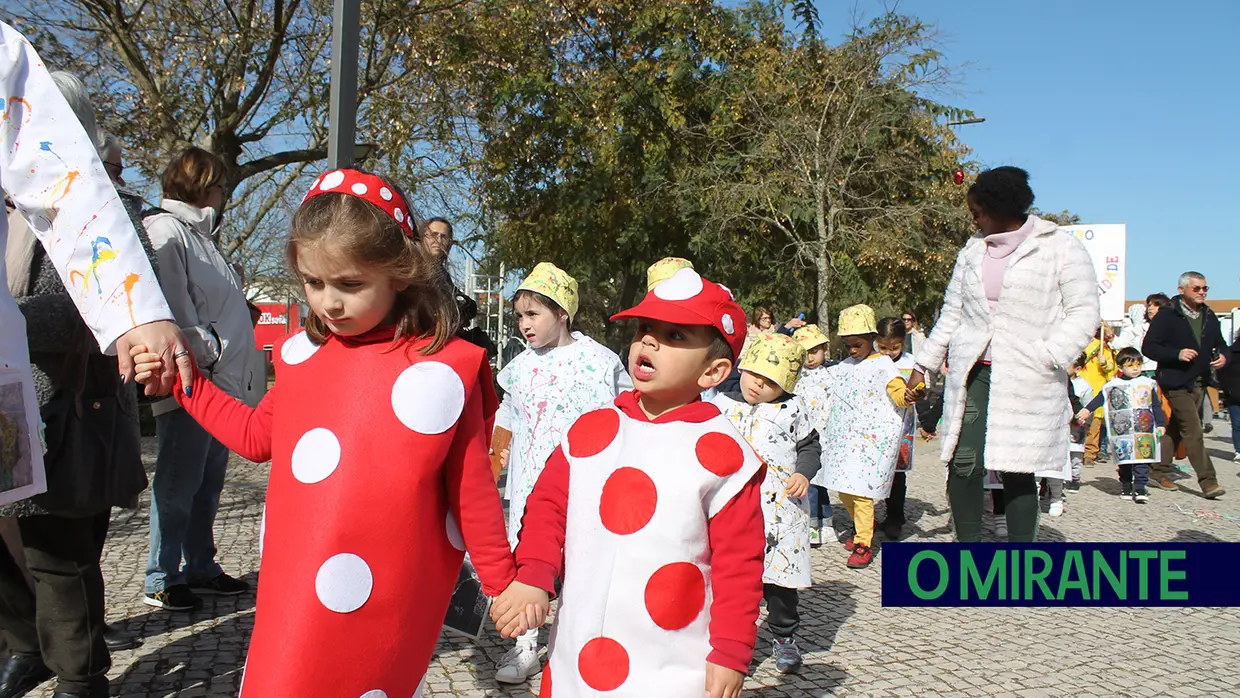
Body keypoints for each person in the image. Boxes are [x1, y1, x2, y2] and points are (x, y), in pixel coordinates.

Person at [128, 168, 521, 697]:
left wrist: (501, 582)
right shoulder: (301, 359)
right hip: (295, 592)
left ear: (400, 272)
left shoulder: (442, 370)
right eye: (314, 283)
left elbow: (470, 487)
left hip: (382, 597)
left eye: (350, 285)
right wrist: (183, 383)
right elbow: (254, 436)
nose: (329, 303)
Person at [0, 25, 193, 698]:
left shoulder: (98, 215)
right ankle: (24, 648)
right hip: (14, 409)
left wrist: (7, 323)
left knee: (61, 558)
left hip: (65, 416)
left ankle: (80, 679)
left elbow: (98, 315)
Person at [491, 267, 765, 698]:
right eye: (645, 328)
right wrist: (535, 575)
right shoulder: (592, 431)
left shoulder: (726, 454)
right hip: (578, 651)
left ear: (713, 372)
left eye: (675, 335)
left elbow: (740, 564)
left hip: (674, 660)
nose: (650, 341)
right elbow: (547, 508)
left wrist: (730, 651)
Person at [908, 166, 1100, 543]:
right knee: (964, 462)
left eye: (978, 212)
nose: (974, 220)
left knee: (1018, 466)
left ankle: (1022, 558)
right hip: (974, 371)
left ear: (1000, 207)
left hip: (1030, 374)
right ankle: (967, 550)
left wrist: (1049, 354)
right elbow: (952, 312)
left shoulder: (1060, 246)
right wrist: (923, 364)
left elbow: (1084, 312)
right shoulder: (972, 250)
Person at [492, 262, 629, 685]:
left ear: (563, 312)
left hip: (589, 487)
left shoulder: (601, 362)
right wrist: (492, 461)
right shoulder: (520, 367)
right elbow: (507, 415)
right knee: (529, 564)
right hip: (532, 488)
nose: (524, 325)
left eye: (533, 314)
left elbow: (627, 414)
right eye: (519, 316)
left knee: (583, 564)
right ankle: (526, 643)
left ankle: (579, 643)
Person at [141, 147, 259, 611]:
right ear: (200, 183)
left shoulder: (201, 234)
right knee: (177, 482)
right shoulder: (167, 231)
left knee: (206, 484)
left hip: (217, 381)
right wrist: (207, 346)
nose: (224, 192)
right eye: (219, 183)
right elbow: (172, 305)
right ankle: (161, 575)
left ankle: (200, 566)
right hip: (194, 378)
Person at [712, 332, 819, 675]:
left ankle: (784, 636)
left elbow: (810, 448)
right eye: (754, 374)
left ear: (785, 385)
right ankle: (729, 640)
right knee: (729, 577)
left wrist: (804, 473)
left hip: (779, 510)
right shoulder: (721, 404)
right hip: (730, 506)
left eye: (769, 381)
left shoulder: (794, 409)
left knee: (778, 582)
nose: (757, 385)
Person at [812, 305, 918, 568]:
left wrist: (907, 396)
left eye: (856, 344)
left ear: (872, 337)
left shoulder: (883, 365)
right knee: (844, 490)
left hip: (869, 444)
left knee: (861, 494)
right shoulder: (845, 366)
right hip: (845, 441)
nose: (852, 350)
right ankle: (867, 525)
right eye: (848, 345)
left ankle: (863, 543)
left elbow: (897, 392)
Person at [1142, 271, 1228, 498]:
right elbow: (1149, 347)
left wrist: (1223, 355)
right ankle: (1209, 481)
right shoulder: (1167, 315)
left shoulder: (1209, 315)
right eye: (1197, 288)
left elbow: (1221, 343)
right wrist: (1176, 354)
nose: (1202, 292)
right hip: (1175, 380)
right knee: (1193, 429)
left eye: (1205, 288)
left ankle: (1158, 470)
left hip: (1199, 381)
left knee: (1176, 429)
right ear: (1182, 290)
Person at [1075, 347, 1167, 504]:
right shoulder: (1113, 384)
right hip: (1123, 432)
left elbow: (1156, 406)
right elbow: (1100, 398)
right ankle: (1125, 485)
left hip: (1142, 429)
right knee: (1125, 460)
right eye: (1131, 365)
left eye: (1138, 364)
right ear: (1121, 367)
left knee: (1142, 460)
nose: (1135, 368)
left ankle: (1140, 487)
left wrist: (1160, 424)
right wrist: (1087, 410)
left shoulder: (1147, 383)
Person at [422, 217, 497, 359]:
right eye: (433, 235)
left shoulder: (442, 273)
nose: (438, 240)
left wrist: (464, 306)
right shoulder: (416, 269)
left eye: (443, 236)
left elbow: (466, 304)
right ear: (423, 237)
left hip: (446, 339)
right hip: (426, 342)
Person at [875, 317, 917, 540]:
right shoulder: (872, 361)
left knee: (897, 476)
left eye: (895, 348)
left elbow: (920, 389)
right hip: (876, 427)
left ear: (903, 342)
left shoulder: (911, 364)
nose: (888, 353)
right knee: (876, 471)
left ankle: (895, 516)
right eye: (883, 347)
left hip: (902, 427)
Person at [792, 324, 833, 547]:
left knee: (821, 483)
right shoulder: (796, 377)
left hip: (824, 435)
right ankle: (813, 524)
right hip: (805, 436)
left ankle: (823, 523)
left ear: (824, 350)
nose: (811, 358)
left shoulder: (830, 375)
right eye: (805, 353)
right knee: (810, 480)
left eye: (815, 352)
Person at [1081, 323, 1117, 465]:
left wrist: (1105, 363)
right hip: (1078, 386)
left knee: (1094, 424)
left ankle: (1090, 453)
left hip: (1095, 387)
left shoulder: (1102, 346)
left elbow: (1112, 370)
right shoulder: (1076, 344)